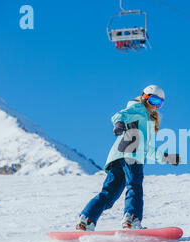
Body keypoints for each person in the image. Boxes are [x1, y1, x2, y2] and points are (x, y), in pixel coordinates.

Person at [76, 85, 181, 231]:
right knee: (134, 186)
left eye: (160, 103)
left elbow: (144, 148)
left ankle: (86, 220)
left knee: (109, 194)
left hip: (120, 155)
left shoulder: (147, 120)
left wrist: (165, 157)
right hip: (131, 155)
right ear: (145, 97)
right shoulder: (137, 108)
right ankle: (132, 219)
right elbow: (119, 115)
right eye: (153, 100)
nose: (156, 106)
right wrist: (118, 124)